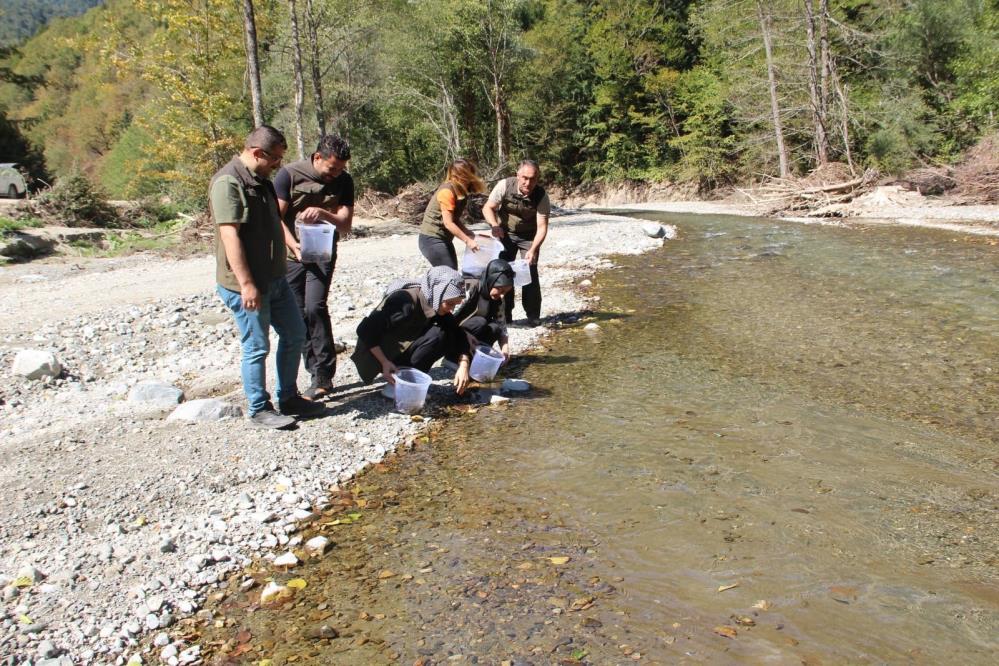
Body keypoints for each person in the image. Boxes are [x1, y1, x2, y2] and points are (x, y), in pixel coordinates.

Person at [211, 126, 323, 429]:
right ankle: (259, 408)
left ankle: (288, 397)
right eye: (274, 158)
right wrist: (247, 285)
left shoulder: (263, 182)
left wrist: (293, 245)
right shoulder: (228, 182)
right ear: (257, 152)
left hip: (276, 278)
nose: (278, 164)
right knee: (257, 346)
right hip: (247, 285)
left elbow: (274, 224)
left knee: (295, 333)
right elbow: (230, 236)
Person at [274, 134, 354, 400]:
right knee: (298, 314)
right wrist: (293, 246)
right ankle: (312, 372)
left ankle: (323, 377)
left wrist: (323, 213)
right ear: (317, 157)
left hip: (322, 252)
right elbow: (276, 218)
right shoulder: (288, 175)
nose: (337, 173)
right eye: (333, 168)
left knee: (315, 307)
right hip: (291, 254)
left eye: (341, 168)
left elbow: (344, 225)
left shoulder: (344, 181)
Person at [351, 266, 472, 395]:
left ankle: (407, 381)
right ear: (438, 292)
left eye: (455, 304)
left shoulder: (433, 300)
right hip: (376, 354)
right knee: (438, 335)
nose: (452, 309)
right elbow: (365, 329)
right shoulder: (404, 301)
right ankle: (398, 385)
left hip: (400, 348)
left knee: (447, 332)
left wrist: (464, 365)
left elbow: (456, 331)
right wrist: (384, 362)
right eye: (450, 304)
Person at [482, 159, 550, 327]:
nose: (528, 182)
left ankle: (533, 315)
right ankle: (505, 315)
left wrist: (533, 249)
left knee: (529, 272)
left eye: (533, 178)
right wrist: (494, 225)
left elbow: (542, 227)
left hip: (529, 237)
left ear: (537, 178)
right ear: (517, 175)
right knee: (503, 272)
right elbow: (488, 208)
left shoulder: (541, 196)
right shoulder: (504, 186)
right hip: (505, 234)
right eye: (525, 178)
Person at [417, 159, 486, 269]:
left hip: (444, 238)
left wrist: (467, 232)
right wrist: (467, 241)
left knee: (451, 272)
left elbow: (454, 219)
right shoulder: (447, 192)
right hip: (431, 239)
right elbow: (448, 223)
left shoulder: (461, 191)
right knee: (449, 274)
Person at [454, 258, 514, 364]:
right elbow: (447, 317)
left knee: (495, 328)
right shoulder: (469, 288)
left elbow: (502, 326)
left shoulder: (499, 299)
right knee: (480, 322)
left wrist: (505, 350)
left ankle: (476, 356)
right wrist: (464, 334)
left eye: (506, 292)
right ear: (490, 280)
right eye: (500, 289)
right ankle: (455, 357)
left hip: (472, 336)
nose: (502, 295)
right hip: (453, 331)